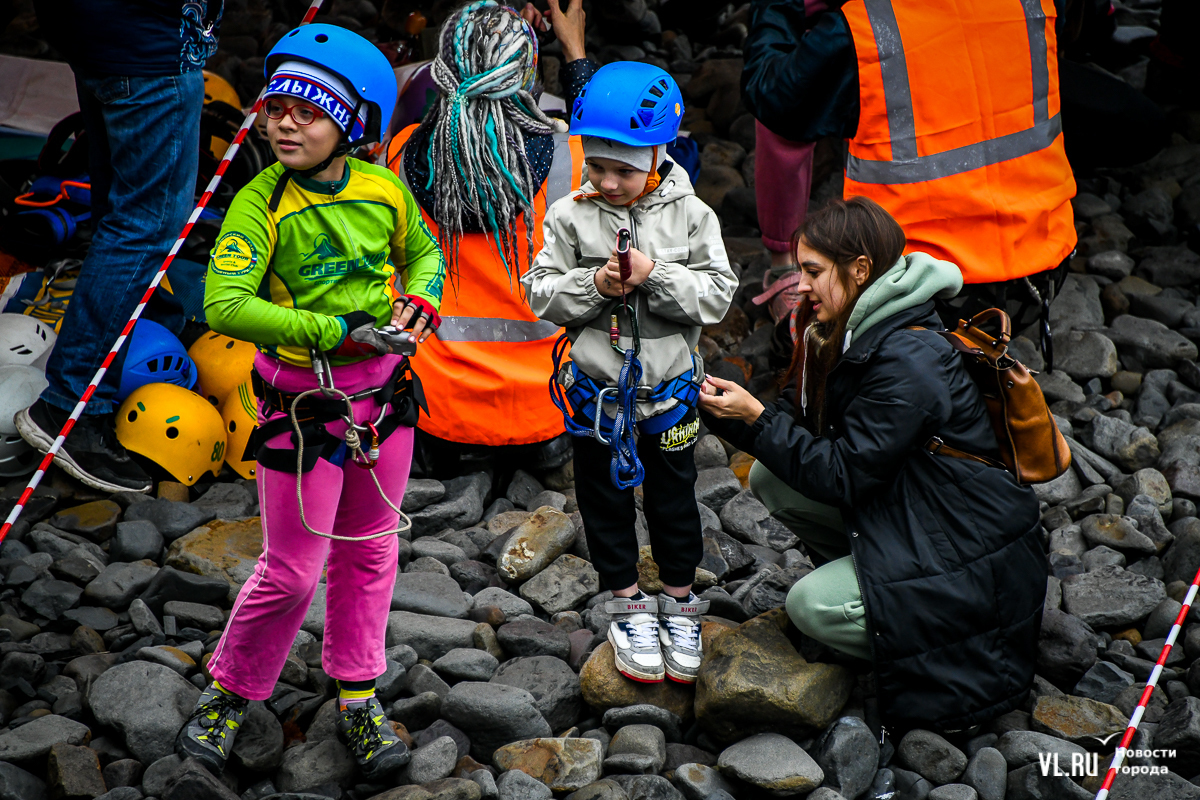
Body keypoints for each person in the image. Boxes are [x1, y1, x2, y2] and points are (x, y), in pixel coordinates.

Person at [174, 25, 445, 781]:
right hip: (302, 411)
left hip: (384, 402)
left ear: (352, 126)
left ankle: (358, 696)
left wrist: (421, 296)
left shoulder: (383, 188)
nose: (287, 122)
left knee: (370, 550)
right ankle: (231, 690)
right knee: (291, 570)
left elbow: (423, 252)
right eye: (278, 106)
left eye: (310, 111)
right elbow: (224, 303)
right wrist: (335, 329)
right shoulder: (261, 203)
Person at [699, 197, 1046, 735]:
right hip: (916, 509)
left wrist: (756, 416)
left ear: (860, 269)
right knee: (771, 476)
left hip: (969, 556)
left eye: (813, 272)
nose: (802, 287)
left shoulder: (909, 358)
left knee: (810, 605)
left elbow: (840, 474)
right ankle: (878, 584)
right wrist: (734, 413)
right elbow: (800, 429)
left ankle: (898, 623)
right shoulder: (852, 329)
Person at [522, 63, 737, 684]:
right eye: (596, 166)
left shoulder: (693, 217)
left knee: (674, 500)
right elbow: (538, 295)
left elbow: (719, 298)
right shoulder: (568, 216)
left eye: (625, 169)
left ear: (660, 152)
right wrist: (593, 284)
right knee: (603, 500)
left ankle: (678, 599)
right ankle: (627, 604)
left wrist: (655, 276)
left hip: (669, 396)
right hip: (596, 399)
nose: (608, 182)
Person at [740, 0, 1077, 363]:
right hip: (1041, 275)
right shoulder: (1033, 4)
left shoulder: (865, 27)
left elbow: (771, 96)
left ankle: (793, 286)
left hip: (925, 293)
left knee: (796, 348)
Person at [17, 0, 222, 493]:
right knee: (144, 228)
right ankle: (71, 408)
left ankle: (91, 375)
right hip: (146, 43)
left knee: (121, 216)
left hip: (103, 29)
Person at [385, 0, 595, 474]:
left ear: (443, 73)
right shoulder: (574, 159)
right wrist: (575, 52)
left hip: (437, 416)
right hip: (546, 413)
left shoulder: (401, 155)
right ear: (526, 77)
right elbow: (607, 138)